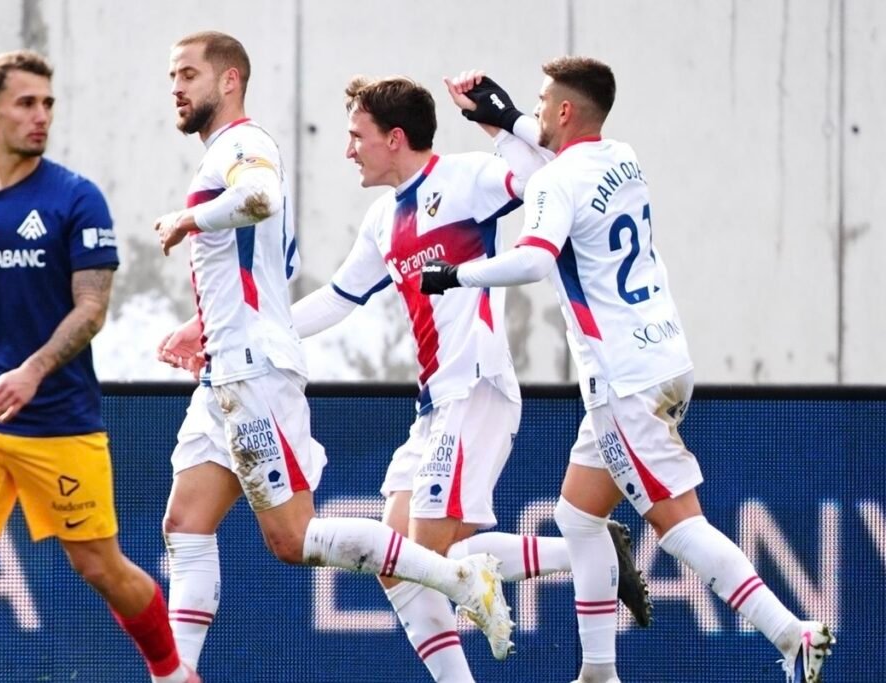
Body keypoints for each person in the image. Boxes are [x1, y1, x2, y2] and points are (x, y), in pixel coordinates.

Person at [420, 58, 836, 683]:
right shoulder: (622, 155)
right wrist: (503, 120)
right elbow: (555, 167)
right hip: (663, 357)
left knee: (678, 524)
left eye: (540, 104)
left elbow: (533, 260)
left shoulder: (556, 181)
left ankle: (791, 634)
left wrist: (456, 273)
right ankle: (598, 672)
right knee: (578, 517)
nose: (534, 112)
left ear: (563, 111)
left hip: (622, 381)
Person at [149, 31, 514, 675]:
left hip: (258, 372)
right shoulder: (377, 217)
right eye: (172, 75)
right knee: (185, 523)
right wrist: (200, 323)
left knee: (294, 540)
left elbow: (259, 197)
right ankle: (179, 673)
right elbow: (312, 290)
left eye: (187, 74)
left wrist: (188, 220)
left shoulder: (244, 144)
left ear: (229, 80)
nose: (175, 87)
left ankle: (462, 582)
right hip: (229, 364)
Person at [288, 74, 650, 683]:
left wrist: (504, 125)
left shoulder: (465, 179)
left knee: (429, 557)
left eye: (357, 136)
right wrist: (246, 335)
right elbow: (335, 300)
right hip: (434, 405)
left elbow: (544, 179)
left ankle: (585, 552)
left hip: (476, 388)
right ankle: (589, 552)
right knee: (395, 561)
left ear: (394, 138)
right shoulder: (382, 219)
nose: (348, 149)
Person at [0, 51, 199, 683]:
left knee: (99, 566)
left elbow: (92, 308)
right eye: (26, 103)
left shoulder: (75, 197)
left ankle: (172, 672)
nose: (41, 117)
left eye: (48, 104)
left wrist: (33, 370)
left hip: (59, 419)